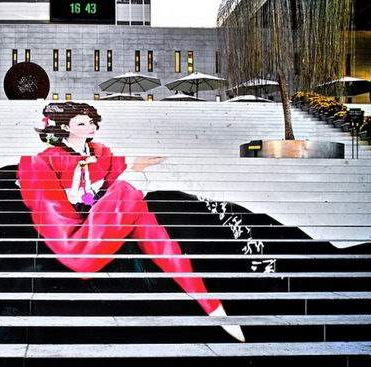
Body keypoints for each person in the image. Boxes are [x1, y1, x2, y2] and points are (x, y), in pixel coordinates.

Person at [17, 102, 244, 342]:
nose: (90, 127)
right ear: (65, 127)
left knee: (141, 213)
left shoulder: (102, 153)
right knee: (130, 197)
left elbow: (112, 185)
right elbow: (53, 213)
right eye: (81, 123)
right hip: (72, 237)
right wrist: (129, 176)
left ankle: (208, 302)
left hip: (97, 221)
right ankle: (208, 302)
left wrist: (131, 171)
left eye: (91, 122)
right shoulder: (45, 160)